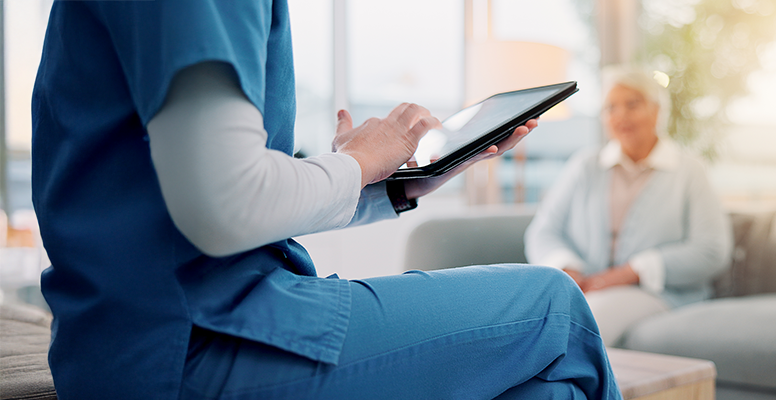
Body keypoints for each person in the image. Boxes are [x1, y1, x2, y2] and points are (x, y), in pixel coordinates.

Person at [32, 1, 622, 398]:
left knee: (552, 393)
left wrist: (392, 179)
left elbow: (214, 193)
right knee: (556, 309)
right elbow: (225, 206)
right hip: (184, 342)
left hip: (159, 330)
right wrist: (358, 159)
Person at [525, 66, 733, 347]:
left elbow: (712, 250)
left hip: (659, 293)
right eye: (611, 107)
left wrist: (632, 272)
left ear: (657, 111)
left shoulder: (690, 171)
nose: (621, 115)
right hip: (583, 290)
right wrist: (568, 269)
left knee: (585, 321)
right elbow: (543, 232)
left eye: (632, 104)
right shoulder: (585, 166)